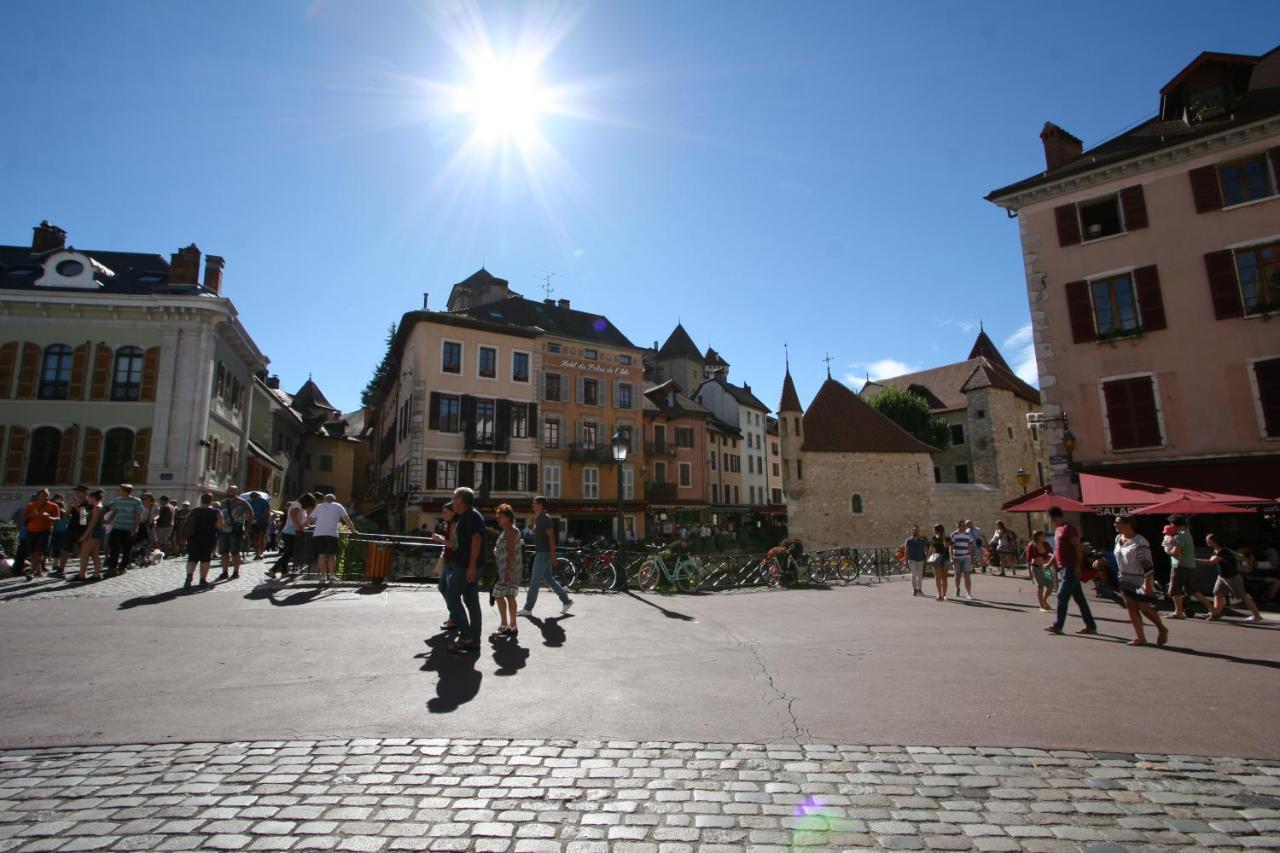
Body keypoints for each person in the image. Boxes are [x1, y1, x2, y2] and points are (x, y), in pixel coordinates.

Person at [1113, 515, 1168, 646]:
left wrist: (1148, 584)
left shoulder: (1140, 542)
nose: (1115, 525)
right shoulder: (1118, 538)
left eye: (1117, 522)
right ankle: (1140, 637)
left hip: (1139, 579)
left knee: (1143, 607)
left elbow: (1148, 565)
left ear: (1128, 524)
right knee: (1131, 607)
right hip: (1124, 578)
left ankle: (1161, 627)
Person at [1045, 506, 1098, 636]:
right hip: (1064, 568)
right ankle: (1091, 626)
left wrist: (1077, 567)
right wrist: (1050, 563)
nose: (1050, 520)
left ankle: (1058, 625)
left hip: (1070, 568)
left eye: (1050, 517)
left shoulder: (1068, 529)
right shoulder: (1058, 530)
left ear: (1053, 517)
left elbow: (1078, 548)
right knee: (1080, 599)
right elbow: (1057, 550)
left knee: (1061, 595)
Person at [517, 496, 573, 618]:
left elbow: (551, 538)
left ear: (541, 505)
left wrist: (553, 556)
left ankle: (528, 608)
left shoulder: (545, 519)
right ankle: (567, 601)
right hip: (542, 552)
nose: (532, 505)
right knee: (549, 579)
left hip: (543, 553)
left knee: (534, 582)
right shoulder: (539, 518)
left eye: (534, 503)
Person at [445, 487, 485, 653]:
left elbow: (476, 541)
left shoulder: (470, 517)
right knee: (471, 602)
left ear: (461, 500)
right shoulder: (470, 516)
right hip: (470, 565)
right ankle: (474, 640)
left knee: (451, 596)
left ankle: (466, 635)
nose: (452, 501)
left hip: (466, 566)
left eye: (454, 498)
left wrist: (471, 567)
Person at [1203, 533, 1264, 623]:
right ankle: (1216, 613)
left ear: (1213, 541)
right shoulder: (1217, 550)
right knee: (1217, 592)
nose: (1206, 542)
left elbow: (1212, 562)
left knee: (1243, 596)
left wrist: (1195, 561)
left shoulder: (1223, 551)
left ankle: (1257, 616)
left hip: (1232, 577)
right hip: (1222, 576)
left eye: (1208, 540)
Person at [1167, 514, 1212, 619]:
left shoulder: (1180, 535)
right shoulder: (1187, 534)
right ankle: (1212, 609)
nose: (1170, 526)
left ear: (1175, 524)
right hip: (1190, 565)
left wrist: (1168, 550)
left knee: (1175, 589)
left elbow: (1175, 552)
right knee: (1193, 590)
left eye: (1171, 524)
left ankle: (1178, 612)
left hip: (1180, 566)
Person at [491, 503, 523, 639]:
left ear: (509, 517)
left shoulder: (511, 531)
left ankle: (505, 624)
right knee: (510, 596)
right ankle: (512, 625)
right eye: (497, 516)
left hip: (509, 569)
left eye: (501, 516)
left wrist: (509, 570)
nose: (498, 519)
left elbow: (511, 552)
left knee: (499, 594)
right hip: (508, 568)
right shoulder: (508, 530)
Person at [310, 493, 355, 585]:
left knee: (321, 555)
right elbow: (347, 519)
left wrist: (302, 526)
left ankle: (323, 577)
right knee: (331, 555)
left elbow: (310, 519)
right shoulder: (338, 506)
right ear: (333, 500)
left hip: (318, 534)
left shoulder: (319, 506)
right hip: (332, 534)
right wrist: (353, 530)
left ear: (324, 499)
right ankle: (332, 576)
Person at [183, 492, 225, 589]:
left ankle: (189, 577)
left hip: (193, 537)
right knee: (205, 559)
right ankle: (203, 579)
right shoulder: (216, 512)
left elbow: (187, 524)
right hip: (209, 537)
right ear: (211, 500)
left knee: (192, 558)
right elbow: (220, 526)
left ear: (201, 500)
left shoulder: (194, 511)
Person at [103, 484, 143, 576]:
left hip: (128, 529)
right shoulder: (117, 500)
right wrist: (107, 521)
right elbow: (114, 512)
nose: (118, 491)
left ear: (125, 491)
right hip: (116, 527)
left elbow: (138, 515)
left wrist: (136, 528)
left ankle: (123, 567)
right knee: (113, 549)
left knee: (127, 549)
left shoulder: (136, 501)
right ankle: (112, 568)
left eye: (119, 490)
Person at [268, 494, 311, 580]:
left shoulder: (297, 505)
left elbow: (297, 518)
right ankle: (273, 569)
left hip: (290, 532)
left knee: (288, 553)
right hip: (290, 532)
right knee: (289, 553)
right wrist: (299, 527)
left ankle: (284, 572)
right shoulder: (297, 505)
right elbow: (294, 517)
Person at [20, 489, 60, 579]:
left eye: (47, 495)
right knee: (32, 552)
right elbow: (23, 518)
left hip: (45, 530)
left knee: (39, 551)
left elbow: (58, 519)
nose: (46, 497)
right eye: (43, 495)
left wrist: (50, 517)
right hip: (31, 530)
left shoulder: (53, 505)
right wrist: (31, 515)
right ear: (38, 496)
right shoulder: (31, 505)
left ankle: (31, 572)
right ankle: (38, 570)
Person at [430, 503, 458, 630]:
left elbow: (452, 544)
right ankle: (454, 615)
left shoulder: (454, 524)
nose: (443, 514)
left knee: (449, 590)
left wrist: (439, 539)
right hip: (449, 560)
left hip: (452, 560)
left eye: (446, 512)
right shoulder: (451, 523)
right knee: (443, 588)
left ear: (453, 512)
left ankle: (455, 617)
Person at [217, 485, 254, 581]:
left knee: (235, 552)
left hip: (236, 530)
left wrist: (247, 528)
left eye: (231, 490)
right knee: (223, 552)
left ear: (236, 492)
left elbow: (250, 514)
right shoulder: (223, 502)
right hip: (224, 530)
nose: (229, 492)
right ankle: (224, 572)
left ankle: (236, 572)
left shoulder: (242, 502)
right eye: (228, 490)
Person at [75, 490, 107, 582]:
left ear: (93, 498)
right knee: (94, 555)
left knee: (84, 554)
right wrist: (80, 510)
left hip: (93, 532)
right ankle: (96, 574)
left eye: (89, 497)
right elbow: (83, 521)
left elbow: (92, 523)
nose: (87, 499)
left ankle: (82, 575)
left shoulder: (96, 508)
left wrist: (84, 535)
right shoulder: (98, 507)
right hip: (97, 532)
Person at [58, 486, 90, 576]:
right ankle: (61, 569)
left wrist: (76, 506)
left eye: (78, 492)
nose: (76, 494)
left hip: (82, 530)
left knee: (83, 552)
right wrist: (68, 508)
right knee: (64, 549)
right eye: (76, 492)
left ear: (84, 493)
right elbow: (67, 516)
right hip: (71, 528)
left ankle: (83, 572)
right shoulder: (75, 503)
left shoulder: (88, 503)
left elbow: (83, 518)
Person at [1025, 529, 1055, 612]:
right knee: (1040, 586)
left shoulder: (1046, 544)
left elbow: (1051, 553)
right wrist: (1030, 572)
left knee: (1050, 586)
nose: (1045, 537)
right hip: (1036, 568)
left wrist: (1050, 558)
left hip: (1045, 568)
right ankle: (1041, 606)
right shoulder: (1031, 545)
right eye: (1043, 536)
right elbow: (1028, 559)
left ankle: (1044, 600)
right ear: (1038, 537)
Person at [950, 520, 974, 599]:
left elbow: (970, 547)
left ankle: (968, 593)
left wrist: (971, 557)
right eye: (963, 525)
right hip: (957, 557)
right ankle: (957, 589)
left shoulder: (968, 535)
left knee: (967, 574)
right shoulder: (954, 534)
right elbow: (951, 547)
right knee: (957, 575)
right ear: (959, 526)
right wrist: (951, 558)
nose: (964, 527)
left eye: (965, 526)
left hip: (966, 557)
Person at [903, 525, 929, 597]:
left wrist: (926, 556)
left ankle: (919, 589)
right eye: (914, 530)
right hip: (911, 560)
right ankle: (915, 590)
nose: (916, 531)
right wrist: (905, 561)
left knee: (920, 576)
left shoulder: (922, 541)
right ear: (912, 531)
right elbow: (906, 551)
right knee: (914, 575)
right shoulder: (908, 541)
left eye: (917, 530)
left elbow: (925, 550)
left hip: (920, 560)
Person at [928, 523, 950, 601]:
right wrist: (930, 556)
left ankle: (944, 594)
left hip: (945, 558)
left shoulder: (947, 538)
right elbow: (931, 548)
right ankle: (939, 594)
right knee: (937, 576)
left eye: (934, 529)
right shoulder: (933, 538)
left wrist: (943, 537)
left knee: (944, 577)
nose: (933, 531)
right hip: (936, 558)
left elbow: (946, 546)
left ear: (938, 530)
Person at [248, 491, 271, 560]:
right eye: (252, 497)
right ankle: (257, 553)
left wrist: (257, 518)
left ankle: (261, 553)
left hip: (263, 522)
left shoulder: (264, 502)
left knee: (261, 537)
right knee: (255, 538)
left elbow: (266, 512)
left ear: (258, 496)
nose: (253, 499)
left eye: (254, 497)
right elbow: (249, 512)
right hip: (254, 522)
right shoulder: (251, 503)